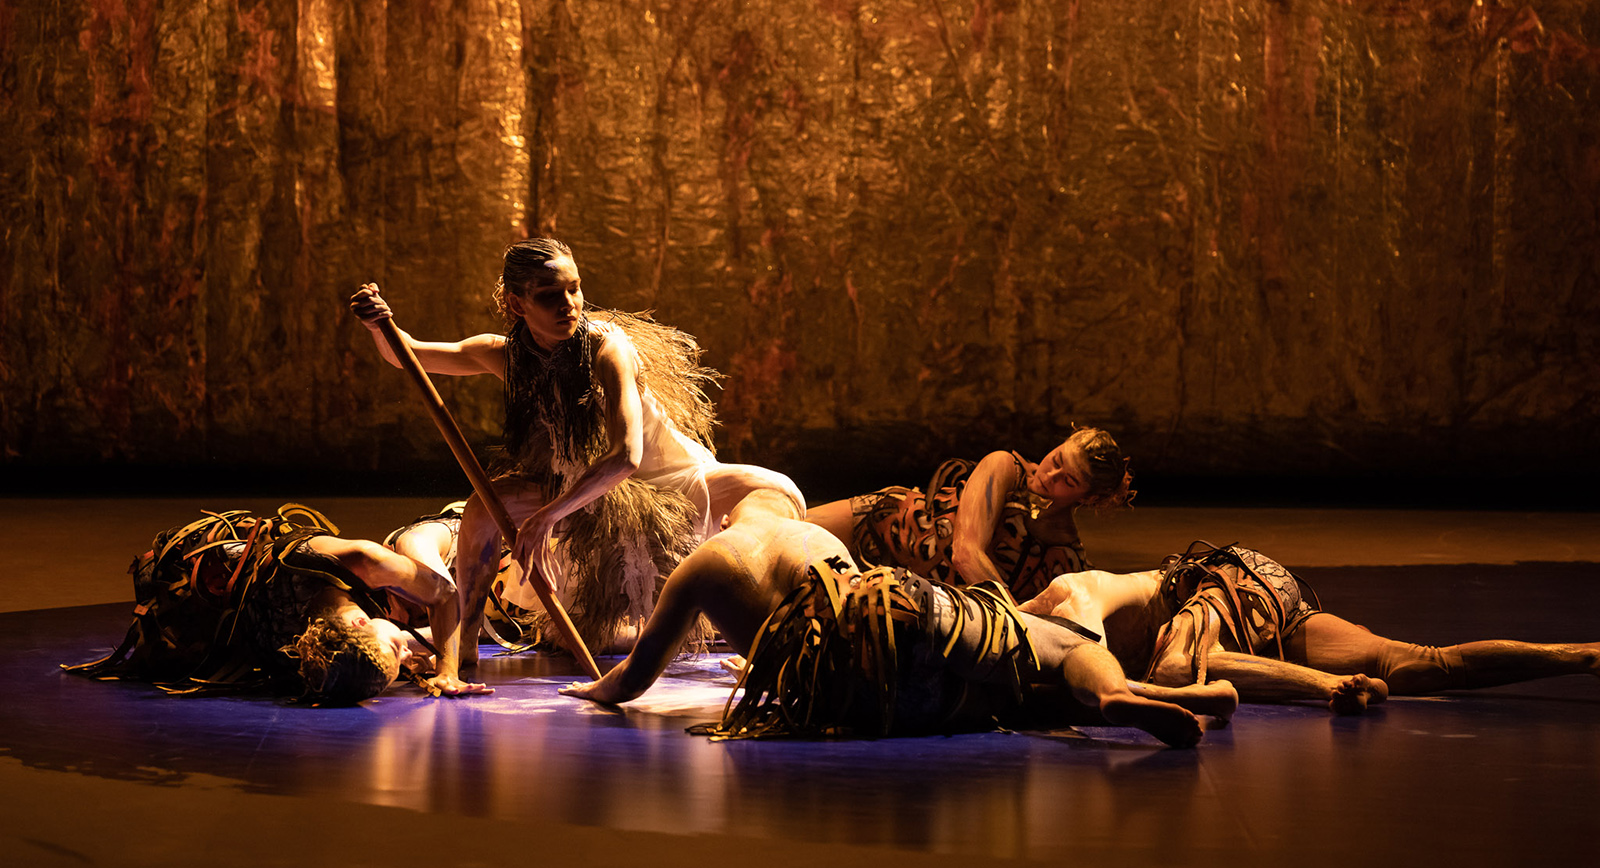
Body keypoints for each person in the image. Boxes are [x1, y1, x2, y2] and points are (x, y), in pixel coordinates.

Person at [350, 238, 803, 690]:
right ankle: (464, 644)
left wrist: (546, 518)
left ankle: (777, 645)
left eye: (575, 289)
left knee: (776, 490)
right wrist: (379, 325)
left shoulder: (608, 348)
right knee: (482, 510)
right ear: (517, 302)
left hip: (664, 483)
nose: (569, 305)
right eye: (550, 295)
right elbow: (406, 354)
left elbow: (627, 456)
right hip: (581, 491)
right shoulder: (503, 353)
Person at [561, 490, 1238, 749]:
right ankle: (1123, 692)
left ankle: (1143, 698)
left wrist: (592, 689)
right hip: (891, 618)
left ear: (732, 520)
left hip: (840, 693)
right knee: (1050, 644)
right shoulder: (813, 543)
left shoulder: (706, 563)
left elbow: (635, 676)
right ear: (784, 513)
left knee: (1006, 705)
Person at [1017, 541, 1600, 713]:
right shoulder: (1029, 640)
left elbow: (1092, 660)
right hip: (1266, 605)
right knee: (1416, 663)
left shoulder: (1068, 600)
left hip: (1221, 583)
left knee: (1173, 669)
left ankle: (1327, 689)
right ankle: (1584, 655)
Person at [65, 504, 486, 704]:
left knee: (430, 556)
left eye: (394, 647)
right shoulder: (299, 648)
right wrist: (450, 645)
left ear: (359, 624)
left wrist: (449, 671)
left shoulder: (367, 560)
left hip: (432, 542)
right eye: (400, 651)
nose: (403, 646)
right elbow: (409, 638)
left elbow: (443, 593)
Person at [805, 426, 1134, 600]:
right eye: (1057, 459)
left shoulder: (1067, 558)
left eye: (1068, 480)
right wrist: (1018, 623)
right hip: (880, 522)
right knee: (774, 529)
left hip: (897, 589)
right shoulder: (1005, 467)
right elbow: (965, 553)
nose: (1050, 476)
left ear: (1088, 497)